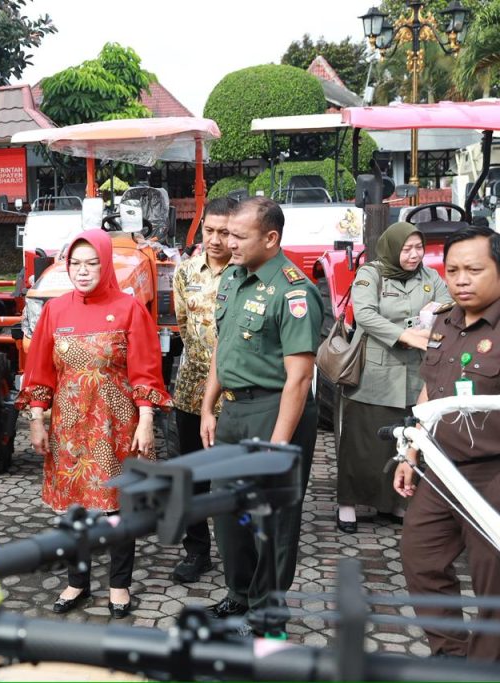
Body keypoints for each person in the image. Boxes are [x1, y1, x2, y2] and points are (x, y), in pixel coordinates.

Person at [17, 229, 171, 619]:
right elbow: (40, 371)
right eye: (75, 263)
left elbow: (146, 371)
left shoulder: (128, 308)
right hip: (69, 426)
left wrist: (146, 419)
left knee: (119, 506)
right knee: (76, 508)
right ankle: (77, 581)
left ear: (105, 265)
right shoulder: (56, 310)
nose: (82, 271)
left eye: (92, 263)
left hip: (117, 425)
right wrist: (37, 418)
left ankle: (119, 585)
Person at [199, 197, 321, 628]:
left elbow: (299, 379)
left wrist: (279, 445)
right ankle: (239, 593)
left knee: (271, 518)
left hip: (274, 412)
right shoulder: (234, 278)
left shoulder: (294, 291)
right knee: (228, 512)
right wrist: (208, 405)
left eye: (238, 235)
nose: (227, 243)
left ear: (270, 239)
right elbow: (223, 345)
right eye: (226, 233)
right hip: (233, 410)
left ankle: (268, 609)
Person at [394, 225, 500, 662]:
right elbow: (430, 392)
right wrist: (410, 452)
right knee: (421, 560)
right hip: (440, 468)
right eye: (453, 269)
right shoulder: (443, 320)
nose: (461, 279)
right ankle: (450, 656)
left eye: (474, 269)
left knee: (491, 579)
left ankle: (484, 667)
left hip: (492, 472)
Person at [336, 222, 451, 533]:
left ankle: (394, 503)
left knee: (404, 438)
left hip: (414, 372)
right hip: (375, 369)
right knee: (362, 440)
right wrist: (405, 335)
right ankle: (348, 502)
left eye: (418, 248)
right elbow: (365, 315)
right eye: (406, 248)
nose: (414, 255)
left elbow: (446, 308)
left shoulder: (430, 277)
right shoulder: (371, 273)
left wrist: (432, 324)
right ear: (391, 248)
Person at [169, 197, 234, 584]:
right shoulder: (186, 272)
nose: (215, 239)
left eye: (224, 232)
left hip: (237, 396)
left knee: (231, 477)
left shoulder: (246, 273)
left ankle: (237, 551)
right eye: (209, 230)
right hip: (192, 389)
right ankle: (197, 551)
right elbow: (182, 324)